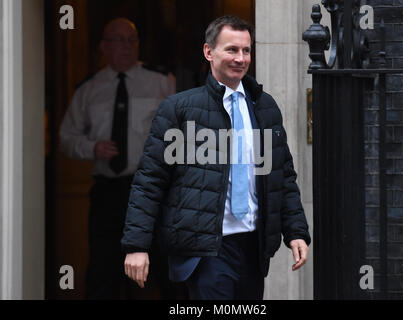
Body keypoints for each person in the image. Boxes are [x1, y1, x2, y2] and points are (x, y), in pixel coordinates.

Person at [121, 15, 311, 300]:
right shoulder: (179, 109)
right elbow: (149, 181)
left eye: (246, 50)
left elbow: (282, 175)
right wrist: (136, 245)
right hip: (207, 250)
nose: (241, 58)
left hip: (253, 248)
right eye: (232, 49)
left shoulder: (264, 106)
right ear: (209, 52)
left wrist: (295, 231)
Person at [59, 18, 175, 299]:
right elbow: (66, 138)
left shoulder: (161, 81)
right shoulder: (88, 90)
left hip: (150, 190)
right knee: (104, 270)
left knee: (160, 268)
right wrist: (92, 148)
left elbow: (179, 135)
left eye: (131, 40)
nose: (126, 46)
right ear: (103, 46)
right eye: (119, 40)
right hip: (108, 193)